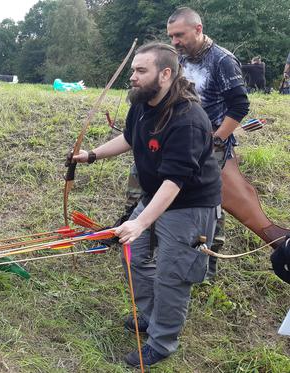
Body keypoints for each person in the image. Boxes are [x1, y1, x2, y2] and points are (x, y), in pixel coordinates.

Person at [73, 42, 221, 368]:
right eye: (133, 71)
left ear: (165, 74)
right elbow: (129, 139)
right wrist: (91, 155)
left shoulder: (189, 119)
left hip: (189, 206)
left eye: (141, 71)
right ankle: (151, 317)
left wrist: (139, 223)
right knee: (136, 257)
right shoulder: (142, 105)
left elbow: (175, 183)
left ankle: (162, 342)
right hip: (155, 198)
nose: (134, 78)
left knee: (172, 275)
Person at [122, 7, 289, 281]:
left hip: (209, 141)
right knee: (150, 189)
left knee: (210, 204)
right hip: (172, 138)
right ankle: (145, 245)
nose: (174, 41)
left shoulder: (222, 60)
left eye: (179, 35)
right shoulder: (178, 59)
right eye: (171, 36)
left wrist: (217, 139)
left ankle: (205, 266)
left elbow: (239, 105)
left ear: (198, 29)